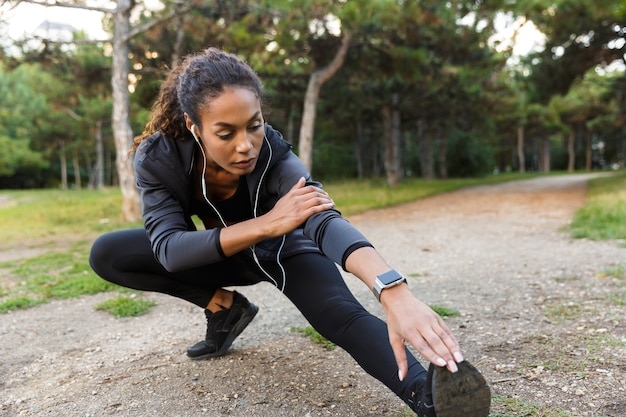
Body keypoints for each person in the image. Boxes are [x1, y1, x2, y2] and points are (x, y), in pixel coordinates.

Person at [89, 47, 491, 417]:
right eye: (226, 133)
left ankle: (430, 398)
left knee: (339, 315)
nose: (246, 145)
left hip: (286, 252)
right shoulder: (159, 156)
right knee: (109, 253)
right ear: (194, 126)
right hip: (222, 254)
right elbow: (170, 250)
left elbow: (323, 219)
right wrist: (267, 222)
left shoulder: (274, 153)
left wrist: (391, 289)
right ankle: (224, 308)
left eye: (255, 125)